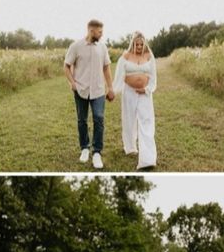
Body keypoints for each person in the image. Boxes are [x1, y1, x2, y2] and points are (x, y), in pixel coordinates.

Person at [64, 19, 115, 169]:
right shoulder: (76, 46)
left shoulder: (103, 47)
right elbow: (66, 66)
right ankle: (85, 148)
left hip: (98, 90)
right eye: (100, 31)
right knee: (82, 120)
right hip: (81, 90)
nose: (102, 34)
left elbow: (106, 68)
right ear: (91, 30)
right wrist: (72, 83)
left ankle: (97, 152)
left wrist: (110, 87)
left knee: (99, 118)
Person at [113, 31, 157, 170]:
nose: (139, 46)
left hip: (144, 93)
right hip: (129, 92)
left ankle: (147, 158)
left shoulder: (149, 56)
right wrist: (113, 91)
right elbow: (119, 76)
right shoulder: (125, 56)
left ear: (145, 43)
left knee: (146, 122)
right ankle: (130, 147)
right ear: (133, 43)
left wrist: (147, 89)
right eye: (137, 44)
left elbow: (153, 77)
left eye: (141, 44)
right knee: (129, 120)